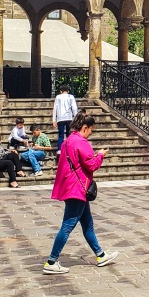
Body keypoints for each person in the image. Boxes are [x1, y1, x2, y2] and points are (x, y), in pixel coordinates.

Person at [44, 112, 116, 274]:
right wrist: (100, 155)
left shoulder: (68, 141)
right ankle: (51, 261)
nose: (90, 133)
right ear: (85, 128)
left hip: (72, 186)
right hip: (77, 188)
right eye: (91, 130)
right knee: (67, 226)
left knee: (87, 224)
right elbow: (91, 165)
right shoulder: (81, 142)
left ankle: (101, 255)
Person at [53, 84, 78, 150]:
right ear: (68, 91)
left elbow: (55, 108)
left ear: (60, 91)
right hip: (69, 118)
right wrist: (76, 117)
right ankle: (69, 148)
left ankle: (59, 149)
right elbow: (74, 108)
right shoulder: (71, 97)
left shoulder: (58, 97)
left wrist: (54, 119)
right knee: (69, 134)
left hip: (60, 118)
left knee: (61, 135)